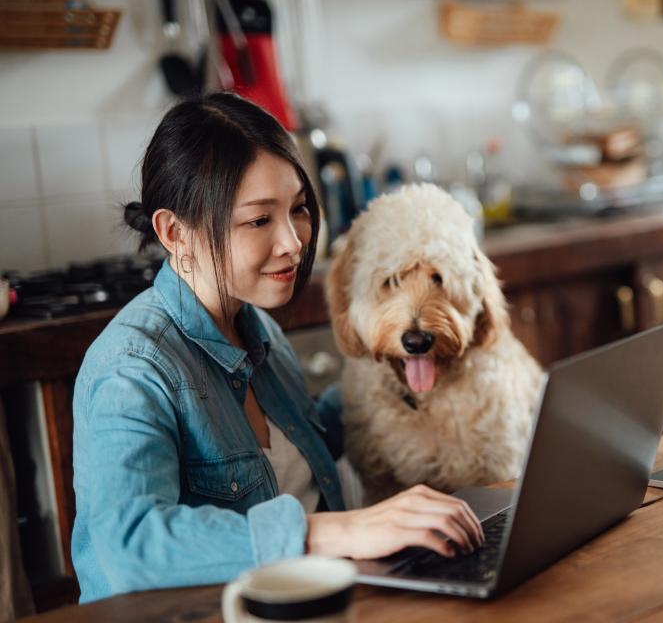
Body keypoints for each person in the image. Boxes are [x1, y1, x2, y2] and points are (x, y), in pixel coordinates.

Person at [72, 93, 483, 603]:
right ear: (175, 232)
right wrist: (344, 530)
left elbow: (290, 458)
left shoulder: (257, 328)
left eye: (298, 210)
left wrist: (394, 380)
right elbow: (131, 545)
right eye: (259, 220)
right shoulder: (132, 368)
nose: (294, 241)